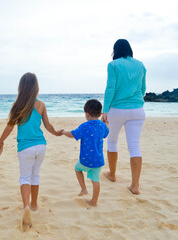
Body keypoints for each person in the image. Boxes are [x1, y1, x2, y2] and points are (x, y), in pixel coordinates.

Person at [0, 72, 62, 231]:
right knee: (36, 174)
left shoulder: (17, 105)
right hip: (41, 146)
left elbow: (10, 126)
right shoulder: (41, 105)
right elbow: (48, 126)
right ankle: (34, 204)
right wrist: (56, 133)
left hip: (25, 147)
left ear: (21, 87)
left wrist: (0, 140)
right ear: (36, 88)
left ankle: (26, 206)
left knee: (25, 177)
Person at [101, 39, 146, 195]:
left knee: (112, 141)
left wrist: (105, 110)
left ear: (116, 50)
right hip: (138, 109)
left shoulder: (113, 65)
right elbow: (143, 88)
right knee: (134, 146)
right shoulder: (141, 65)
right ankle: (135, 185)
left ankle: (112, 174)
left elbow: (110, 87)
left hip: (117, 109)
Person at [61, 99, 109, 206]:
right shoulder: (102, 126)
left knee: (77, 169)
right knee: (95, 180)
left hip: (86, 160)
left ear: (86, 114)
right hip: (98, 161)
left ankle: (83, 189)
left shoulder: (85, 126)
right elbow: (106, 133)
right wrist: (106, 123)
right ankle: (94, 201)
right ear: (100, 114)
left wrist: (64, 132)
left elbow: (73, 134)